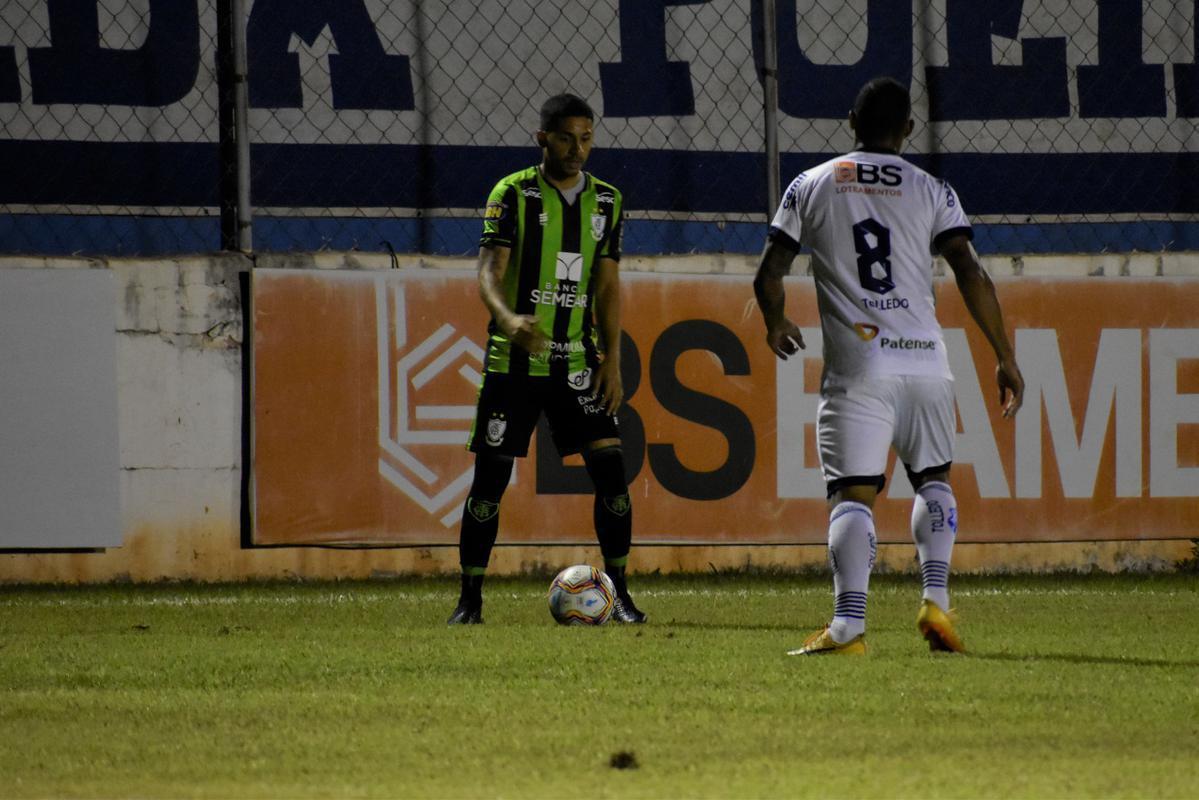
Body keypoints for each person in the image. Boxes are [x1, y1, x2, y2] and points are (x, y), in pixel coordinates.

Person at [753, 76, 1024, 655]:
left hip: (860, 366)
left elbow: (770, 271)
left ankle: (849, 626)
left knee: (853, 495)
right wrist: (1005, 356)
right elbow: (971, 272)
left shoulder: (812, 183)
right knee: (933, 479)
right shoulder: (934, 189)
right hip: (927, 363)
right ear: (907, 129)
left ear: (851, 121)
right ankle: (938, 603)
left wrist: (775, 322)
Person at [447, 93, 646, 625]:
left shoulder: (607, 201)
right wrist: (509, 320)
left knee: (612, 470)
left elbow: (607, 286)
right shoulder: (512, 194)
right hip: (514, 364)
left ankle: (621, 592)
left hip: (579, 363)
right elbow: (488, 272)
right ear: (543, 139)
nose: (577, 149)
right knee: (489, 480)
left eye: (585, 138)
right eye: (565, 138)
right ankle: (470, 600)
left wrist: (613, 360)